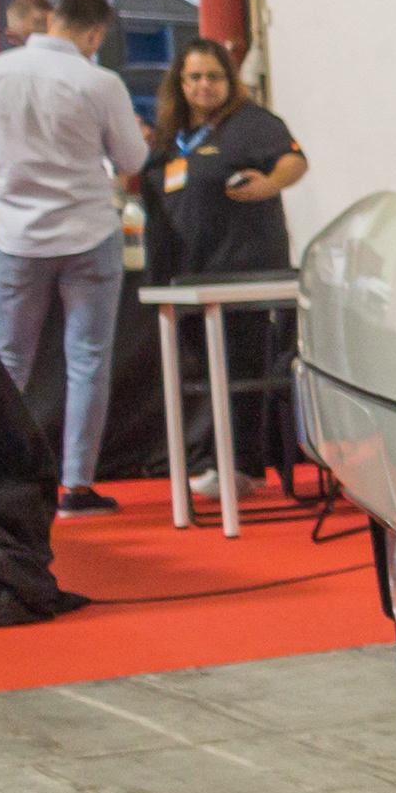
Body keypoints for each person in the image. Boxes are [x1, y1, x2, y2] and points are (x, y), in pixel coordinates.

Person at [0, 0, 148, 514]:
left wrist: (6, 182)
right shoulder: (100, 82)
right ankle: (76, 486)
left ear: (52, 20)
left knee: (7, 360)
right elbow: (131, 158)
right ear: (95, 34)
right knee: (88, 360)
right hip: (89, 232)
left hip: (17, 235)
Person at [141, 36, 308, 500]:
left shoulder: (252, 124)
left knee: (240, 368)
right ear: (180, 82)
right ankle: (216, 461)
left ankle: (242, 467)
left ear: (229, 81)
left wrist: (268, 184)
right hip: (185, 275)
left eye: (213, 77)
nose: (204, 86)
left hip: (242, 271)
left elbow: (295, 162)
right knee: (203, 373)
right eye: (194, 77)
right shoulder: (171, 135)